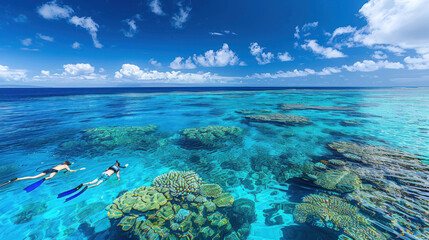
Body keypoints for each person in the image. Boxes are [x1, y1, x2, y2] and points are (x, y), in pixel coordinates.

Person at [58, 161, 128, 202]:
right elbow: (118, 175)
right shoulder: (118, 169)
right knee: (97, 184)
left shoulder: (112, 166)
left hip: (103, 173)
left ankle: (83, 184)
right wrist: (118, 179)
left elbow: (106, 169)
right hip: (107, 176)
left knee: (92, 181)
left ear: (116, 164)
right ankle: (88, 187)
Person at [0, 161, 85, 191]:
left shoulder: (61, 164)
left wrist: (71, 163)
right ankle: (45, 179)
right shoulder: (66, 166)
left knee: (34, 177)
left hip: (49, 169)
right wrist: (79, 169)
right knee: (51, 177)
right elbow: (70, 170)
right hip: (54, 171)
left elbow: (65, 165)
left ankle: (18, 179)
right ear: (68, 164)